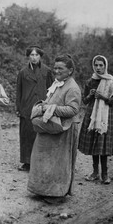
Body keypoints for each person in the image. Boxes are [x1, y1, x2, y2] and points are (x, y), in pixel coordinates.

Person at [27, 54, 81, 204]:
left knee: (58, 163)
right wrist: (44, 104)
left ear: (70, 70)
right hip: (50, 126)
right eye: (55, 67)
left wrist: (49, 109)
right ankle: (42, 190)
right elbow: (52, 100)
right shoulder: (58, 84)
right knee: (43, 159)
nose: (56, 71)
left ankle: (57, 194)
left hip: (63, 129)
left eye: (60, 68)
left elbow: (73, 110)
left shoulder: (72, 88)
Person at [78, 55, 113, 184]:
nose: (98, 68)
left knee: (102, 144)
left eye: (101, 65)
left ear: (105, 66)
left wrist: (103, 97)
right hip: (92, 114)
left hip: (105, 115)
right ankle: (95, 172)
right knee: (94, 142)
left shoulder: (111, 81)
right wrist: (91, 95)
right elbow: (85, 101)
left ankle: (105, 174)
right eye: (96, 65)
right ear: (93, 65)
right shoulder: (90, 81)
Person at [16, 45, 53, 171]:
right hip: (27, 107)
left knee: (40, 133)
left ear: (40, 56)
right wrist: (19, 107)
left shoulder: (47, 71)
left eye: (36, 55)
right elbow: (19, 91)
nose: (34, 57)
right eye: (31, 55)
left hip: (41, 106)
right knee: (26, 134)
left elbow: (51, 89)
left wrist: (49, 105)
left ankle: (40, 162)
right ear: (28, 57)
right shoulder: (23, 72)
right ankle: (27, 162)